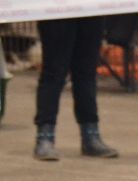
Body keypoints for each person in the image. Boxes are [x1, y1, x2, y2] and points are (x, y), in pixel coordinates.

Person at [33, 16, 118, 161]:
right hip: (57, 12)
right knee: (53, 72)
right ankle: (45, 137)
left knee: (86, 73)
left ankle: (91, 136)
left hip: (91, 10)